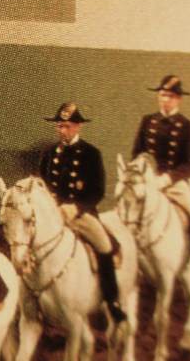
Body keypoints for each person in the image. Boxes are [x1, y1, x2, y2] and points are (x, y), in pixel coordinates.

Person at [38, 103, 126, 324]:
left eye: (67, 126)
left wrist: (76, 207)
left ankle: (111, 300)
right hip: (53, 215)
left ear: (78, 127)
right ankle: (35, 298)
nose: (62, 131)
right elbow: (41, 184)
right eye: (59, 126)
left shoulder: (91, 154)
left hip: (80, 214)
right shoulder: (50, 153)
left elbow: (98, 191)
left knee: (104, 245)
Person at [132, 75, 190, 286]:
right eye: (163, 95)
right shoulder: (148, 121)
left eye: (171, 96)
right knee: (130, 208)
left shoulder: (186, 126)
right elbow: (137, 153)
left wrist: (168, 178)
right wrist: (144, 174)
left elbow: (189, 163)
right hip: (149, 181)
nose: (165, 100)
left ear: (179, 99)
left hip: (174, 182)